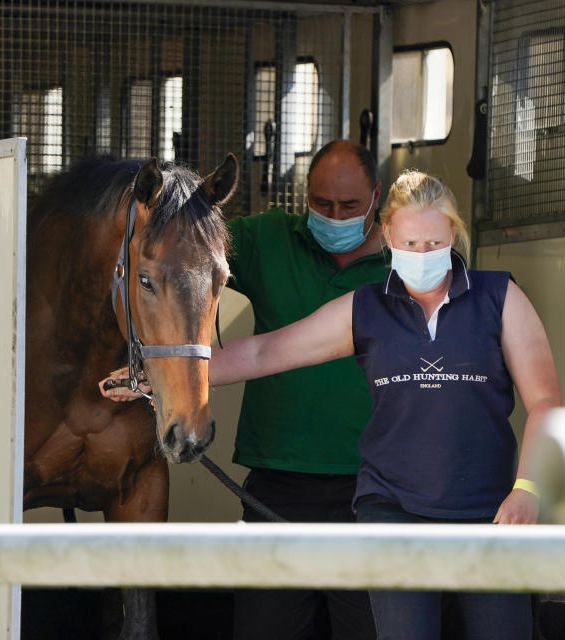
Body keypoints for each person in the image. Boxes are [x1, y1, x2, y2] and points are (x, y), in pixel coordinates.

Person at [102, 170, 561, 639]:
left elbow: (545, 402)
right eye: (410, 243)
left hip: (491, 511)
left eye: (433, 244)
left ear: (453, 234)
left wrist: (527, 489)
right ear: (385, 237)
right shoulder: (365, 308)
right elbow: (264, 353)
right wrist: (154, 375)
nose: (422, 256)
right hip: (393, 509)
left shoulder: (500, 299)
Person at [112, 139, 388, 640]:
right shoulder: (269, 238)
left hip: (374, 489)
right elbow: (182, 254)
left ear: (377, 199)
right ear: (305, 197)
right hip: (277, 486)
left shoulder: (409, 261)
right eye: (321, 204)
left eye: (349, 206)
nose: (334, 216)